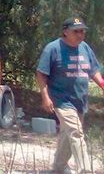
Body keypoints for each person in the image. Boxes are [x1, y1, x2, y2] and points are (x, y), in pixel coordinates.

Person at [36, 17, 104, 173]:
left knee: (68, 135)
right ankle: (85, 170)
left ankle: (58, 168)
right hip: (61, 100)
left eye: (82, 31)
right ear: (65, 32)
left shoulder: (85, 48)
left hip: (80, 100)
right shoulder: (52, 48)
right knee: (76, 132)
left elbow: (93, 70)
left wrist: (102, 84)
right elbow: (41, 74)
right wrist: (45, 97)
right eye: (76, 31)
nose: (80, 34)